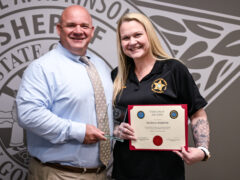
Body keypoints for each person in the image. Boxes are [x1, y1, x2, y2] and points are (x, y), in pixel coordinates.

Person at [16, 5, 113, 180]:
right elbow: (28, 114)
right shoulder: (42, 68)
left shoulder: (99, 65)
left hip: (100, 173)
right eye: (71, 25)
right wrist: (78, 132)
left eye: (84, 26)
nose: (78, 31)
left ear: (92, 31)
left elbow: (100, 111)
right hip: (58, 174)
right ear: (59, 29)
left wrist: (116, 129)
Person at [111, 12, 210, 180]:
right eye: (125, 38)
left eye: (137, 35)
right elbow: (111, 121)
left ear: (149, 35)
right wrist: (116, 131)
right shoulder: (117, 75)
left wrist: (203, 150)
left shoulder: (174, 69)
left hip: (165, 171)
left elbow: (197, 113)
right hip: (125, 171)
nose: (132, 42)